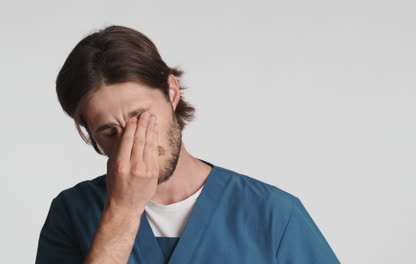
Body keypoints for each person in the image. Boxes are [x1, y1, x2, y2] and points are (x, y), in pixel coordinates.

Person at [35, 25, 341, 264]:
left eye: (141, 116)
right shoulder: (72, 213)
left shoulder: (273, 214)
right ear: (91, 134)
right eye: (109, 132)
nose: (133, 139)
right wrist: (123, 211)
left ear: (171, 91)